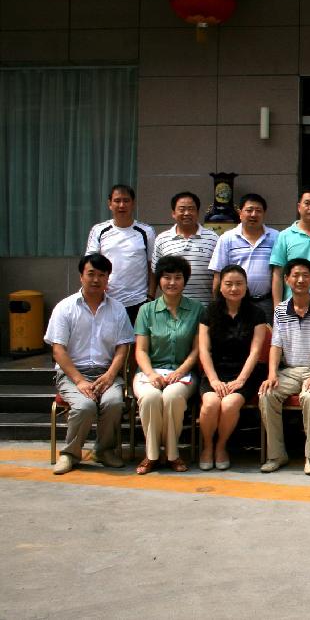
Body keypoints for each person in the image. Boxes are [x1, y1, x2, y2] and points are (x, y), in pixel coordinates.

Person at [45, 253, 133, 475]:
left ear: (108, 278)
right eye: (91, 274)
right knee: (85, 406)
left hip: (106, 373)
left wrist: (111, 375)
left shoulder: (117, 309)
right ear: (81, 276)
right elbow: (58, 350)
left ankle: (103, 450)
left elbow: (122, 347)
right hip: (72, 374)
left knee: (113, 403)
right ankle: (70, 454)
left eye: (102, 275)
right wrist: (79, 381)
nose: (96, 279)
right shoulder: (65, 308)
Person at [258, 258, 310, 475]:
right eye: (295, 275)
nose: (300, 280)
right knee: (267, 394)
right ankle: (276, 455)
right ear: (286, 279)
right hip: (290, 371)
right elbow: (276, 346)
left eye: (305, 275)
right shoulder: (280, 310)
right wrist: (272, 374)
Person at [132, 255, 203, 474]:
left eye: (178, 277)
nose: (172, 282)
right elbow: (141, 350)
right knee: (150, 397)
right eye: (166, 277)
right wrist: (151, 374)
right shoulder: (146, 310)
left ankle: (172, 455)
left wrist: (180, 371)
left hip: (183, 373)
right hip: (148, 372)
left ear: (185, 281)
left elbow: (197, 350)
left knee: (172, 396)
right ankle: (152, 455)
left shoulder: (197, 310)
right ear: (159, 280)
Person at [197, 264, 270, 471]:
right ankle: (207, 446)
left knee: (229, 404)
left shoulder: (257, 314)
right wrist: (213, 380)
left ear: (246, 287)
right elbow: (204, 350)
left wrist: (241, 380)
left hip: (245, 373)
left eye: (239, 284)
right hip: (215, 372)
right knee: (210, 404)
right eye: (228, 284)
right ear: (220, 287)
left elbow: (255, 352)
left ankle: (221, 446)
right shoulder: (209, 312)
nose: (234, 288)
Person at [85, 184, 155, 323]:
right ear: (110, 204)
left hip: (138, 302)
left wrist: (150, 297)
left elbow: (152, 266)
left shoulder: (146, 231)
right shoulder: (99, 230)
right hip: (106, 300)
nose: (122, 205)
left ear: (133, 203)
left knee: (137, 338)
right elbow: (89, 265)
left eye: (126, 200)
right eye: (117, 201)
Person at [209, 193, 279, 321]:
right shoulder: (227, 238)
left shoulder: (276, 237)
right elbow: (218, 275)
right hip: (235, 304)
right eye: (249, 210)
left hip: (266, 302)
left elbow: (279, 273)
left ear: (264, 213)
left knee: (265, 334)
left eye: (258, 211)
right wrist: (218, 306)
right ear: (240, 213)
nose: (253, 214)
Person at [152, 192, 220, 306]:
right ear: (173, 213)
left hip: (204, 307)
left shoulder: (213, 239)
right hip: (171, 309)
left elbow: (218, 275)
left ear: (198, 212)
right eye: (182, 209)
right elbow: (156, 273)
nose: (187, 213)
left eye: (191, 209)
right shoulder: (162, 239)